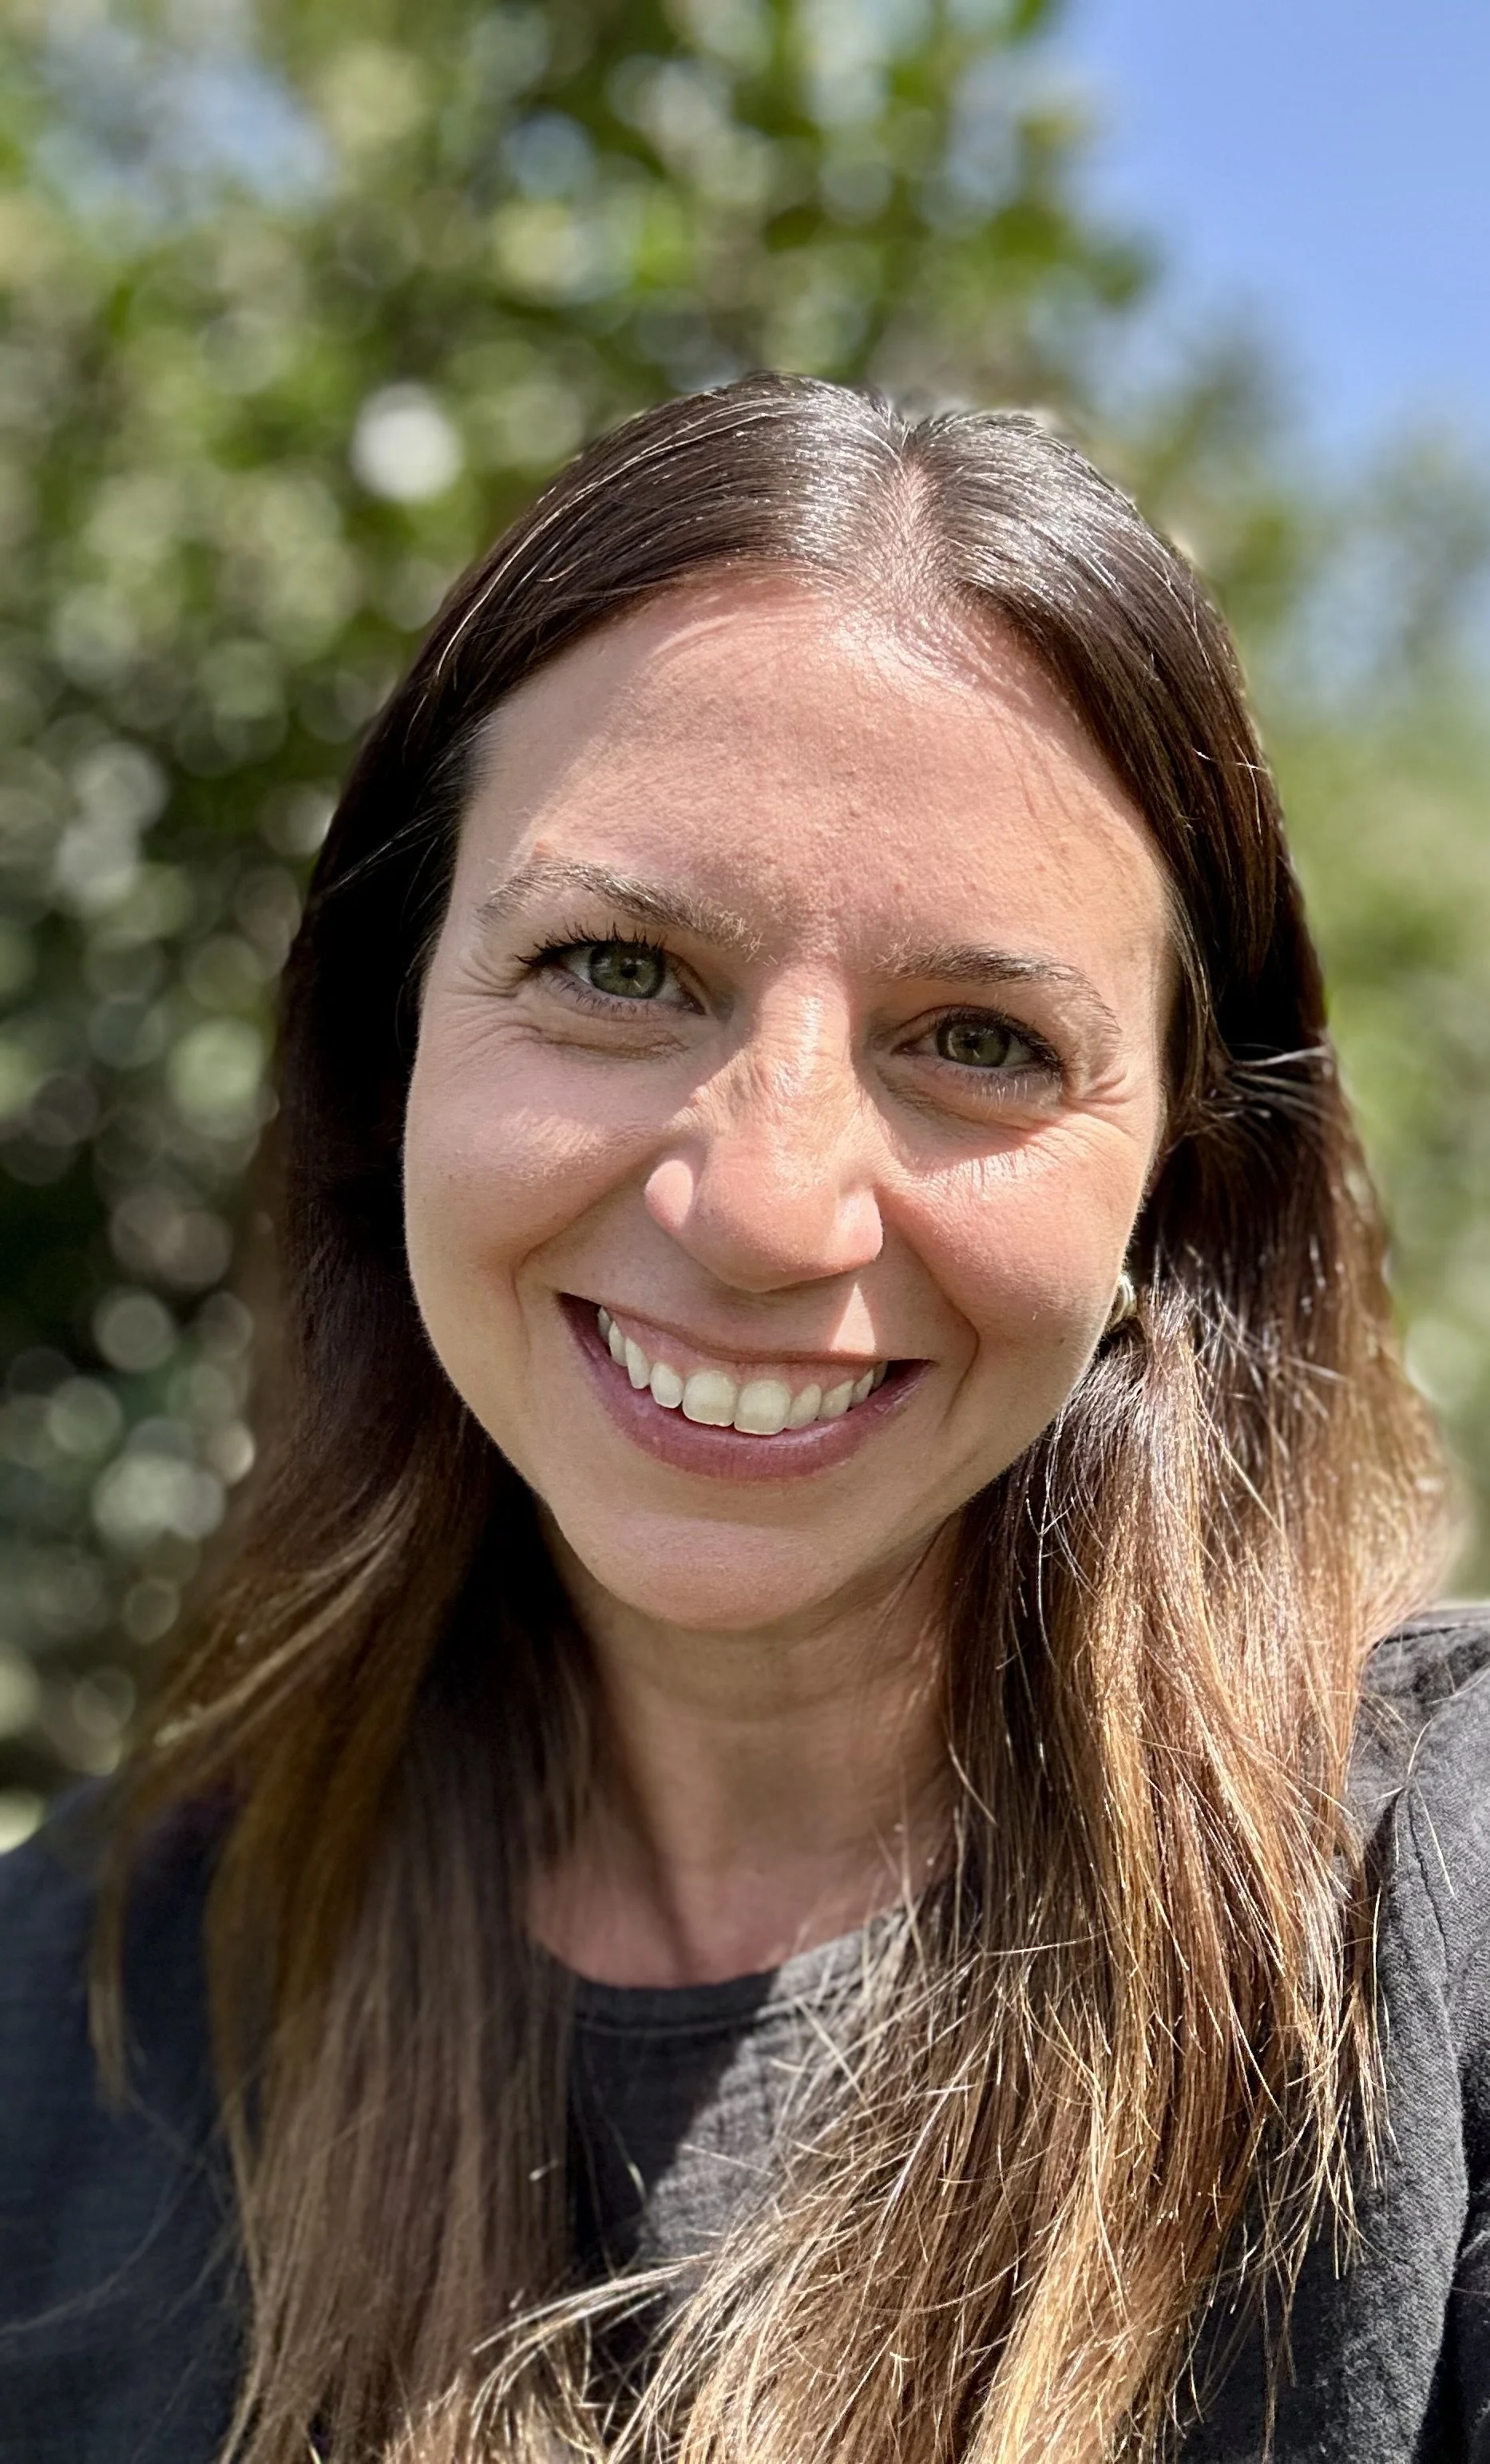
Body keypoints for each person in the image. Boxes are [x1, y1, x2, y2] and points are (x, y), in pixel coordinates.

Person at [1, 372, 1487, 2464]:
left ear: (1184, 1185)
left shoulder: (1449, 1931)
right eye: (620, 969)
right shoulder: (63, 2017)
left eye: (979, 1037)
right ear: (389, 1046)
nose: (768, 1207)